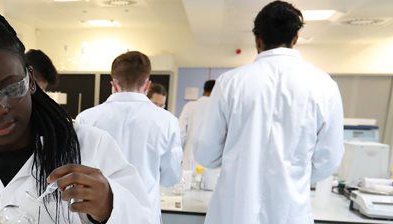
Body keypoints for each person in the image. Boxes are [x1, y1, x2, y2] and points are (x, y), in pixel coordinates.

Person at [0, 9, 153, 224]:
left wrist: (110, 206)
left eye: (10, 90)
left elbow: (146, 219)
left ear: (30, 80)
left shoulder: (91, 147)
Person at [192, 1, 344, 223]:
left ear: (258, 40)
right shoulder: (324, 86)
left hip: (234, 213)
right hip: (289, 213)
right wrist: (292, 172)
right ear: (295, 39)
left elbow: (206, 153)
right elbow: (328, 162)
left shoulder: (230, 83)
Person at [74, 51, 181, 222]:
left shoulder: (86, 118)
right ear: (147, 85)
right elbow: (171, 178)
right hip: (144, 217)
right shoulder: (167, 121)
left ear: (113, 84)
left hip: (98, 218)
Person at [178, 79, 215, 171]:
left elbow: (180, 134)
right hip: (211, 164)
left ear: (204, 90)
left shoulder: (190, 106)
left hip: (189, 161)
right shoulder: (219, 108)